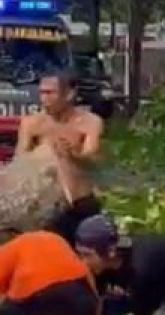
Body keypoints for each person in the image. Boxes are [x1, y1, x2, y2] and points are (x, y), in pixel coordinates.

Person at [17, 71, 105, 245]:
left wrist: (73, 155)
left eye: (50, 93)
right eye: (42, 93)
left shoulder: (90, 122)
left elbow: (93, 160)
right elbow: (20, 160)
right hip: (45, 202)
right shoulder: (32, 123)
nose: (44, 99)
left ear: (69, 94)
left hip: (80, 201)